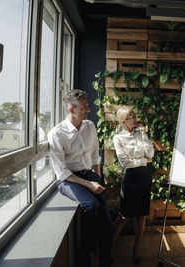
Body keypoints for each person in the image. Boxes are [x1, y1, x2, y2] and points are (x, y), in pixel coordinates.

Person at [47, 89, 112, 267]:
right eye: (84, 107)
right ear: (71, 109)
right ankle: (86, 253)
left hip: (89, 174)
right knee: (91, 205)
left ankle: (106, 260)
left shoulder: (89, 126)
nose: (88, 110)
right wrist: (89, 184)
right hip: (68, 179)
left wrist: (97, 178)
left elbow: (94, 155)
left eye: (87, 106)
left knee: (107, 222)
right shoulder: (56, 134)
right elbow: (61, 171)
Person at [111, 107, 154, 265]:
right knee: (124, 215)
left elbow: (151, 154)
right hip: (131, 178)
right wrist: (143, 161)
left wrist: (144, 135)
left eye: (135, 115)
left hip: (144, 177)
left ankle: (136, 248)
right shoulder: (118, 138)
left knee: (141, 215)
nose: (135, 119)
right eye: (131, 117)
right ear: (123, 122)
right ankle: (111, 245)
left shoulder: (140, 132)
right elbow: (125, 163)